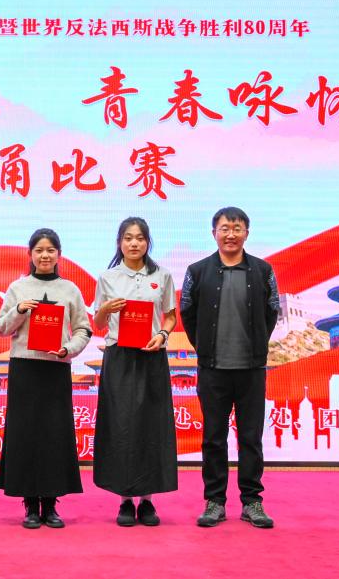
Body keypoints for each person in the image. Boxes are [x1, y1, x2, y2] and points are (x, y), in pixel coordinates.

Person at [180, 207, 279, 529]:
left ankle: (252, 502)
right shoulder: (198, 271)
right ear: (214, 233)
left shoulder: (263, 271)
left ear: (247, 233)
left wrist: (257, 344)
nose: (231, 234)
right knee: (213, 438)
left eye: (237, 228)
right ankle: (215, 502)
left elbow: (272, 312)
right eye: (225, 228)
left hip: (251, 369)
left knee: (251, 438)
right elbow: (187, 313)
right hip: (213, 369)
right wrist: (205, 346)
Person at [0, 228, 91, 528]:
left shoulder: (70, 289)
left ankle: (50, 504)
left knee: (54, 435)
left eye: (50, 250)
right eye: (39, 250)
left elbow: (83, 329)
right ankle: (30, 505)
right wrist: (19, 309)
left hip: (55, 368)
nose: (45, 255)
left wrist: (68, 350)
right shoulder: (18, 287)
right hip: (24, 368)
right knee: (25, 435)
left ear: (59, 254)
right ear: (30, 254)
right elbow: (1, 327)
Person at [92, 217, 178, 527]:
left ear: (147, 242)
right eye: (128, 238)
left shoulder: (162, 275)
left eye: (140, 238)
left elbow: (170, 316)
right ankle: (125, 500)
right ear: (119, 242)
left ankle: (147, 500)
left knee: (150, 427)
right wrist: (106, 309)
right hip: (119, 357)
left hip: (151, 355)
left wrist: (163, 335)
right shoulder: (108, 277)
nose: (134, 243)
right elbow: (98, 324)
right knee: (121, 427)